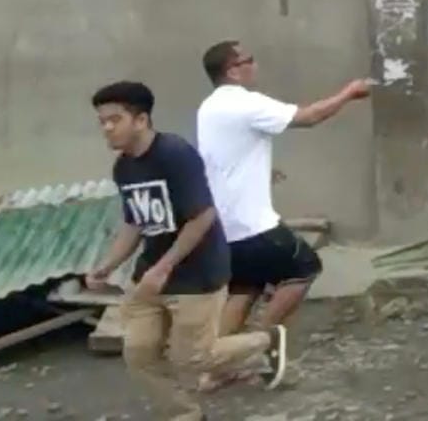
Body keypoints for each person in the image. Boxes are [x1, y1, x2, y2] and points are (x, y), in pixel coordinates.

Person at [86, 80, 285, 421]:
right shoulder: (124, 167)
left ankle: (266, 341)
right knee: (139, 354)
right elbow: (136, 222)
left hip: (197, 273)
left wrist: (164, 267)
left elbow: (203, 215)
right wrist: (108, 264)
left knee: (192, 358)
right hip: (152, 276)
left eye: (114, 119)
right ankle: (184, 415)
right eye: (102, 120)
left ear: (141, 120)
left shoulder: (175, 154)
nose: (106, 128)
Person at [195, 40, 371, 342]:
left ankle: (214, 366)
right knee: (304, 267)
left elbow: (226, 156)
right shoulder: (245, 103)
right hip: (253, 223)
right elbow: (308, 117)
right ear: (233, 71)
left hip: (224, 226)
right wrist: (349, 93)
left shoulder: (209, 108)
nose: (255, 65)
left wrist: (262, 173)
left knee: (245, 287)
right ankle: (258, 341)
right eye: (249, 60)